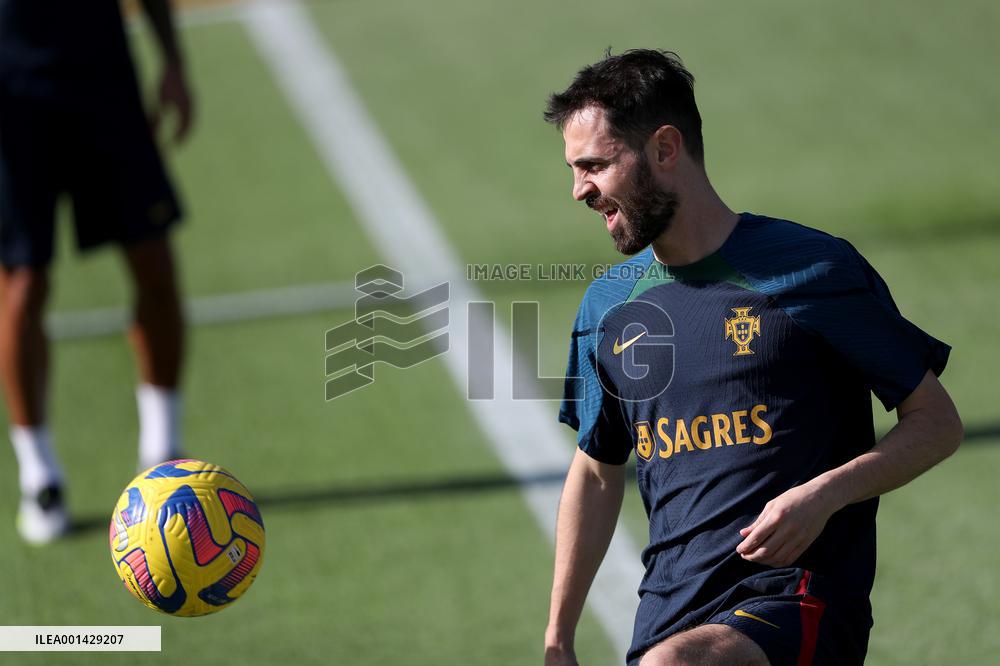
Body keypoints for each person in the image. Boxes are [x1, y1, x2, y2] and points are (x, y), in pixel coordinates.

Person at [541, 49, 963, 666]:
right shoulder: (608, 307)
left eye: (596, 165)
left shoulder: (813, 269)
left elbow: (936, 422)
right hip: (669, 610)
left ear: (664, 148)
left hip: (797, 598)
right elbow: (597, 470)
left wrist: (823, 495)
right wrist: (558, 638)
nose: (580, 189)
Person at [0, 0, 192, 544]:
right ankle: (39, 474)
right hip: (9, 85)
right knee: (24, 281)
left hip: (100, 71)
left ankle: (162, 451)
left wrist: (173, 60)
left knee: (154, 261)